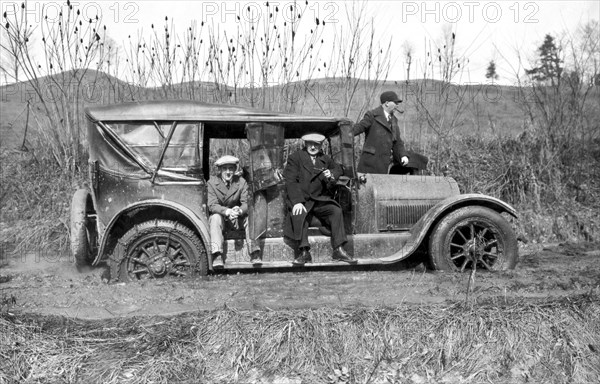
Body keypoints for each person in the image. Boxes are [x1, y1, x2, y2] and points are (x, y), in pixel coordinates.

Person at [283, 133, 356, 265]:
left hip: (319, 200)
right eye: (310, 144)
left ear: (321, 145)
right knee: (300, 213)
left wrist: (332, 174)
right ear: (305, 144)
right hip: (303, 200)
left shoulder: (325, 159)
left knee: (335, 210)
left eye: (316, 144)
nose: (313, 147)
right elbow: (291, 182)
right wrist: (297, 202)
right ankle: (304, 252)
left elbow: (338, 168)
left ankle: (338, 249)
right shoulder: (295, 158)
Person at [207, 155, 261, 267]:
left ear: (235, 170)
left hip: (237, 218)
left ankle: (255, 252)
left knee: (250, 216)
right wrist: (227, 211)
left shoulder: (241, 182)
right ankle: (217, 254)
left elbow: (247, 203)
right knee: (215, 217)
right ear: (219, 170)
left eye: (231, 168)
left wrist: (239, 210)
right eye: (224, 169)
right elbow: (212, 205)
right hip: (223, 219)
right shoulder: (212, 183)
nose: (228, 172)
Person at [353, 90, 409, 174]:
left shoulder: (394, 120)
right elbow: (358, 128)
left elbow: (397, 142)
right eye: (395, 102)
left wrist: (403, 155)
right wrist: (342, 132)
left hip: (383, 165)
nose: (397, 105)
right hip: (368, 164)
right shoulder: (372, 115)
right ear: (386, 103)